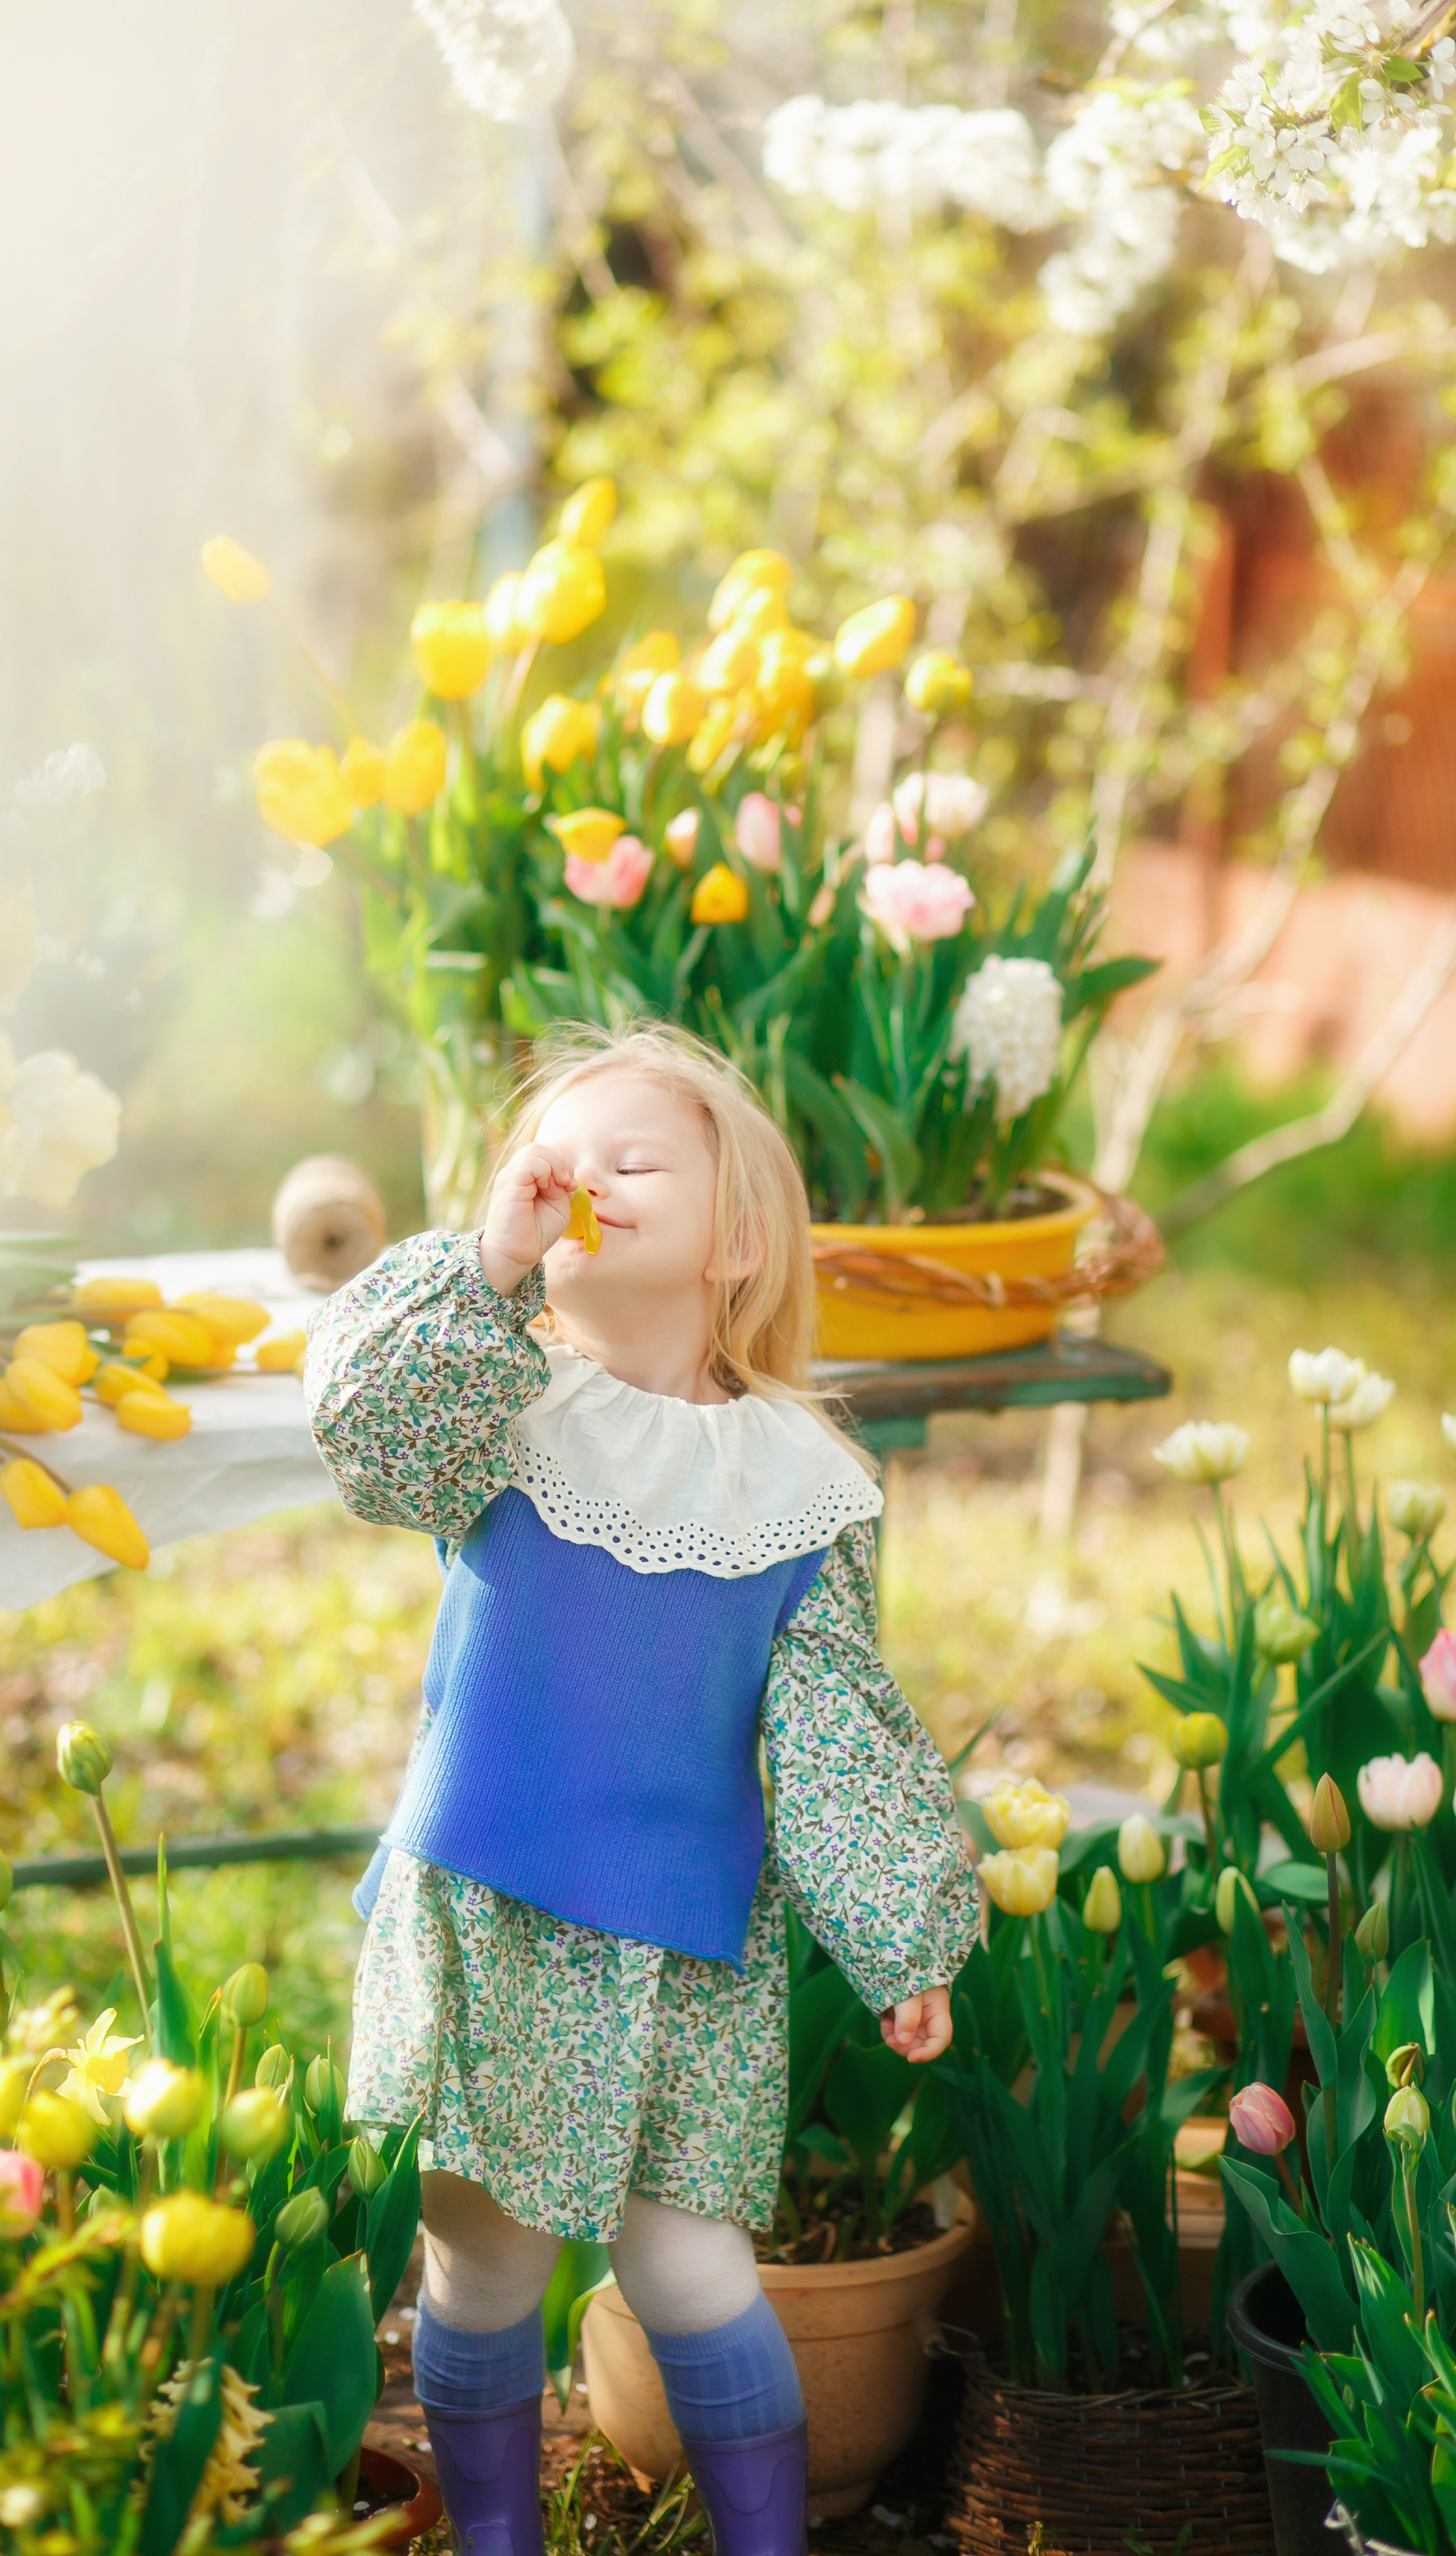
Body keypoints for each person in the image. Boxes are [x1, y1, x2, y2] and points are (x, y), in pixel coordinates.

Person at [305, 1024, 978, 2556]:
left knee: (695, 2277)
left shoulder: (806, 1479)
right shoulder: (497, 1404)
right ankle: (495, 2539)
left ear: (734, 1241)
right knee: (480, 2274)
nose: (581, 1180)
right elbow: (362, 1431)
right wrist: (482, 1260)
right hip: (488, 1913)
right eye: (555, 1162)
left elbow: (826, 1728)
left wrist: (896, 1934)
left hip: (685, 1962)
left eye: (631, 1159)